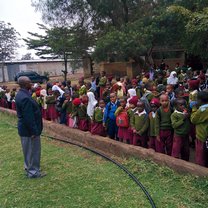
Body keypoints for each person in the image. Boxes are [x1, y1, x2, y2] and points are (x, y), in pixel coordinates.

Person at [15, 76, 45, 178]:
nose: (31, 84)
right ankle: (33, 172)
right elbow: (29, 117)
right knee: (33, 150)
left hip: (25, 129)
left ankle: (29, 167)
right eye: (29, 82)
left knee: (28, 150)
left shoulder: (21, 94)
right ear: (25, 84)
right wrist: (34, 132)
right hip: (29, 130)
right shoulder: (24, 97)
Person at [191, 91, 208, 167]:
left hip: (202, 135)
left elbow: (193, 119)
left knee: (200, 155)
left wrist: (194, 109)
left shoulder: (202, 110)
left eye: (197, 100)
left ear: (200, 101)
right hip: (206, 135)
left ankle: (200, 169)